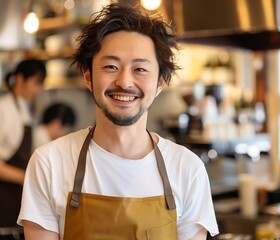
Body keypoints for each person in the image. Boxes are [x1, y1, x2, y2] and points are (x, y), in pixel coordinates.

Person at [18, 4, 219, 240]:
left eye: (140, 69)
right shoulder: (49, 164)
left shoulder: (187, 169)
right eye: (111, 66)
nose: (124, 81)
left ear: (160, 83)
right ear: (88, 77)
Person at [0, 59, 46, 238]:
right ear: (20, 79)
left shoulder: (25, 110)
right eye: (36, 83)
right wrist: (25, 177)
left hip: (17, 200)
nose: (39, 90)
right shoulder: (3, 108)